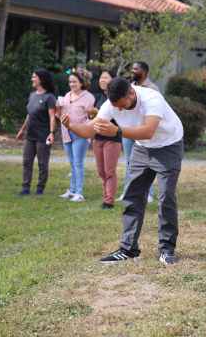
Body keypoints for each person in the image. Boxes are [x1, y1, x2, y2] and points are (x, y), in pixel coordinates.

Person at [61, 77, 184, 265]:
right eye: (116, 107)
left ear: (132, 94)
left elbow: (148, 131)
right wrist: (71, 126)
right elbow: (88, 130)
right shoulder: (111, 105)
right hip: (143, 148)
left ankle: (167, 249)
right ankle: (129, 249)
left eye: (123, 106)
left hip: (168, 145)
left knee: (166, 195)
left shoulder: (152, 98)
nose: (119, 110)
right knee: (132, 196)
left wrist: (117, 131)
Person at [116, 62, 160, 203]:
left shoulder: (153, 89)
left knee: (147, 163)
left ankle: (148, 194)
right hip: (128, 131)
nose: (132, 70)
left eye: (135, 68)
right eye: (132, 68)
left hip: (143, 132)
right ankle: (127, 192)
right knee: (130, 162)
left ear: (144, 72)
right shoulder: (127, 88)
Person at [16, 68, 56, 196]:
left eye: (34, 77)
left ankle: (40, 189)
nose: (32, 79)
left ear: (41, 79)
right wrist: (22, 130)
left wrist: (52, 133)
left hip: (43, 135)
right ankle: (25, 189)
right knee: (26, 162)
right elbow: (30, 114)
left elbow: (52, 117)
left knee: (42, 164)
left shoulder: (49, 97)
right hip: (29, 135)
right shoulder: (32, 95)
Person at [56, 68, 94, 202]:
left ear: (81, 82)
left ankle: (79, 193)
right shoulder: (66, 96)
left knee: (78, 163)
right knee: (72, 164)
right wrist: (58, 109)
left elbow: (91, 117)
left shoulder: (89, 97)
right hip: (66, 133)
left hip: (80, 133)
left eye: (74, 82)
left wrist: (85, 129)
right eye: (70, 82)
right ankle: (72, 191)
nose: (72, 84)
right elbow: (60, 116)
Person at [86, 69, 122, 210]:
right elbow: (94, 118)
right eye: (101, 78)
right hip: (98, 138)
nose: (102, 80)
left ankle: (109, 202)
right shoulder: (98, 97)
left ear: (113, 81)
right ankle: (105, 198)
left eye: (105, 78)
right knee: (101, 171)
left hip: (112, 138)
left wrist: (98, 112)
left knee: (109, 171)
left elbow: (118, 116)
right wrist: (91, 114)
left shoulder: (117, 98)